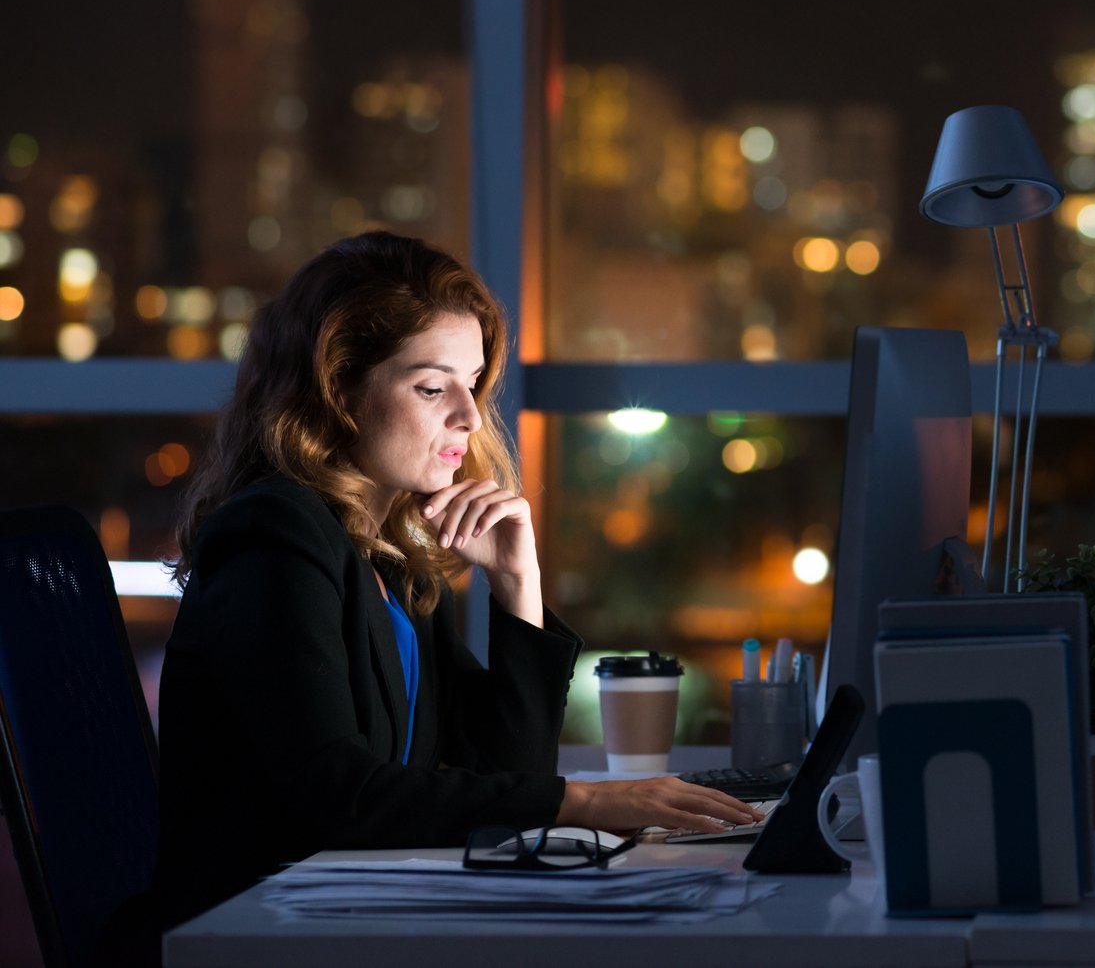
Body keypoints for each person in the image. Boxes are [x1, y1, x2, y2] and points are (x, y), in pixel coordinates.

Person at [152, 232, 759, 925]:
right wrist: (588, 802)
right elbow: (338, 797)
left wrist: (517, 587)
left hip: (349, 919)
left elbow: (507, 772)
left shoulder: (384, 559)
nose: (470, 418)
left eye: (472, 386)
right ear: (339, 387)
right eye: (433, 387)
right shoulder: (273, 534)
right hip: (253, 932)